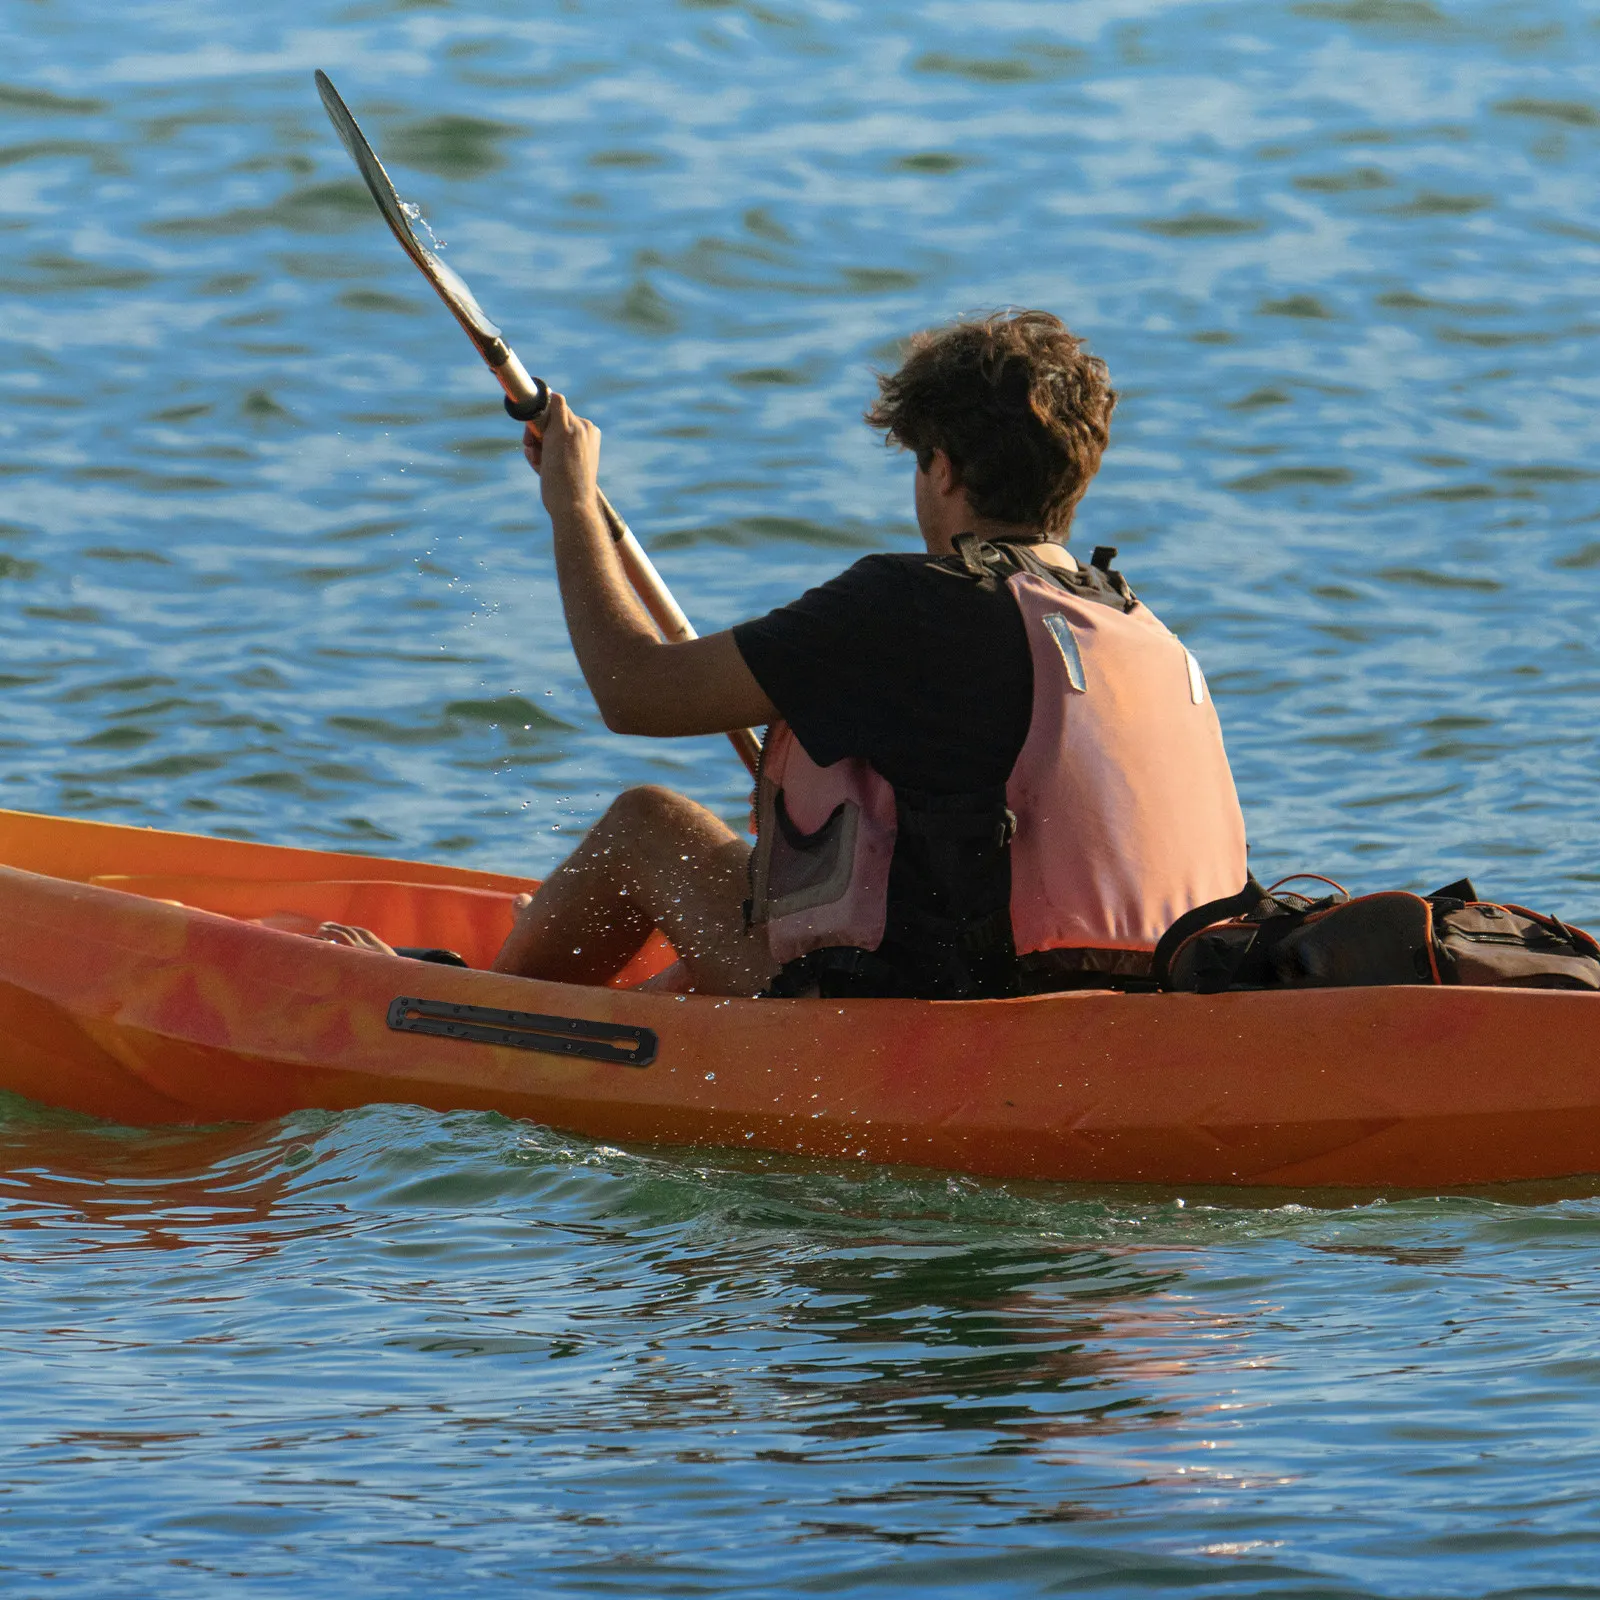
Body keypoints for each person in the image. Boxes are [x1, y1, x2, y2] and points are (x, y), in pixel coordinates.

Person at [483, 309, 1249, 1000]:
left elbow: (633, 689)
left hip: (933, 1022)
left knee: (646, 827)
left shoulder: (909, 602)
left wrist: (572, 503)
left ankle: (477, 1022)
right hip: (1129, 1007)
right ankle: (627, 1010)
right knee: (756, 919)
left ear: (942, 467)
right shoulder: (1139, 627)